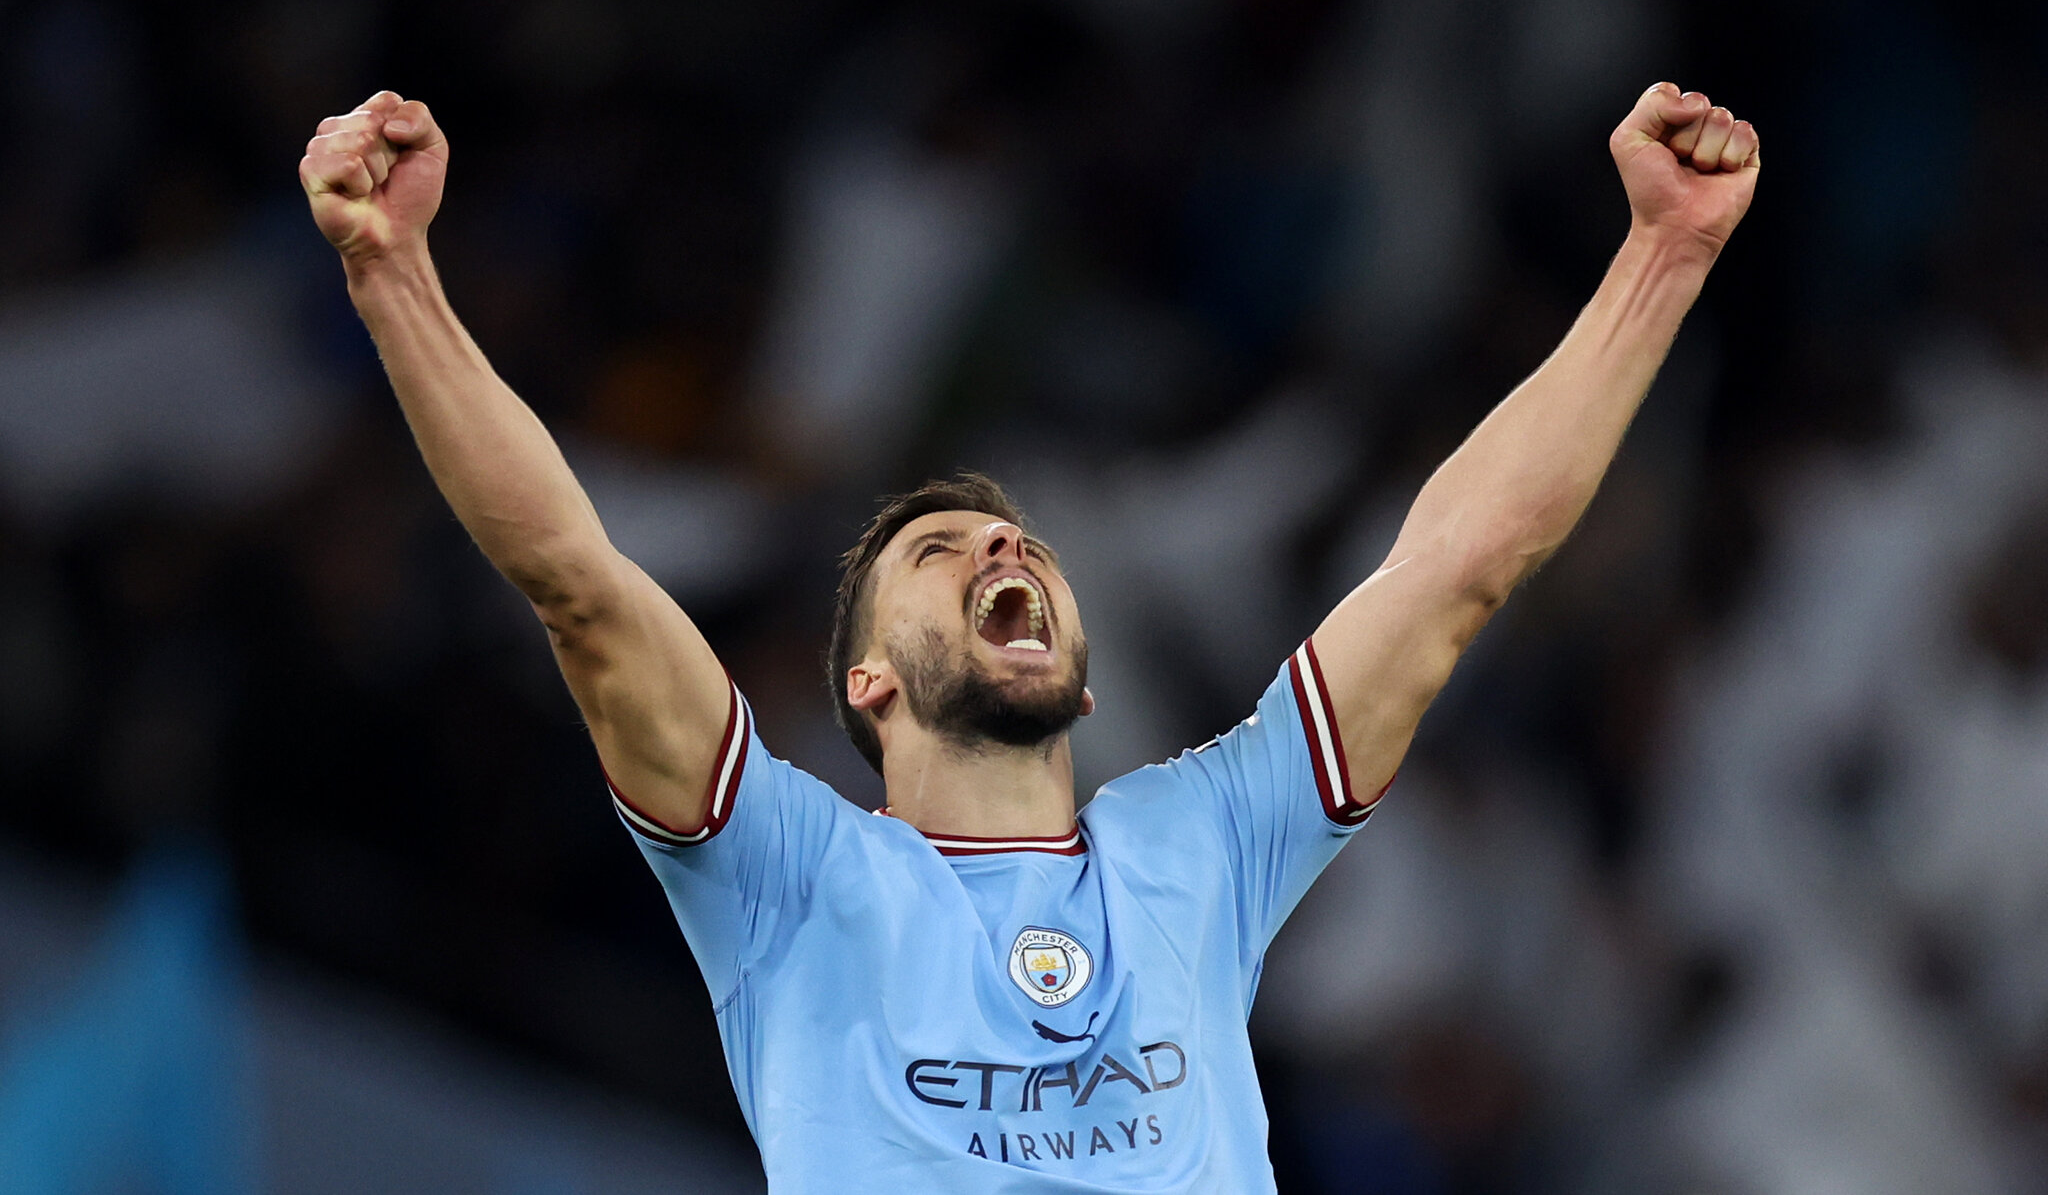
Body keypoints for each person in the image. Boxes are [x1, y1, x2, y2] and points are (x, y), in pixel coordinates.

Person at [299, 82, 1759, 1191]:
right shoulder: (790, 874)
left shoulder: (1201, 842)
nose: (1003, 546)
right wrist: (395, 277)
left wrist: (1662, 258)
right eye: (939, 550)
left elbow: (1458, 568)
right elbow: (577, 579)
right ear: (867, 682)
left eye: (1021, 546)